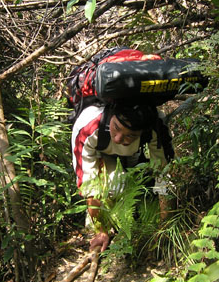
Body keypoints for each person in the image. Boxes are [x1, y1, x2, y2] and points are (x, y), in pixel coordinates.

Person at [71, 101, 174, 252]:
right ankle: (104, 218)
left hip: (133, 157)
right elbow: (89, 184)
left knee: (135, 188)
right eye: (116, 128)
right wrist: (101, 230)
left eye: (130, 135)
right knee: (115, 186)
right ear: (111, 115)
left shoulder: (155, 125)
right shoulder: (88, 125)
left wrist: (166, 223)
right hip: (102, 156)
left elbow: (163, 170)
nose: (118, 138)